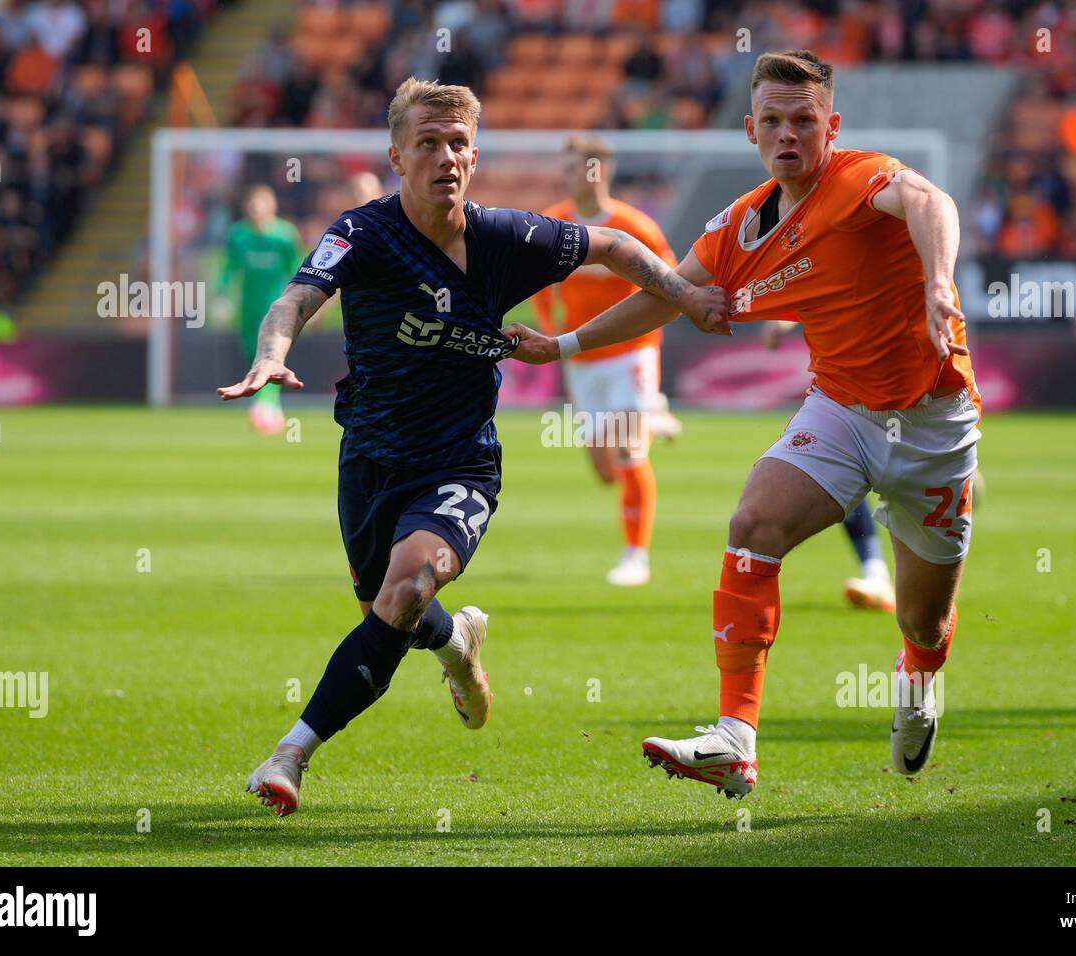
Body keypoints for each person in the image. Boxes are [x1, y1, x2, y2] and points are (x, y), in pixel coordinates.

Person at [217, 77, 727, 816]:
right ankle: (458, 644)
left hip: (460, 462)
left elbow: (615, 245)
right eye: (428, 142)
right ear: (398, 156)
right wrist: (271, 355)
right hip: (370, 457)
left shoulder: (506, 238)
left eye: (458, 143)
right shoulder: (362, 234)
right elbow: (296, 298)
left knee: (403, 591)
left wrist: (688, 297)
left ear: (475, 154)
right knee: (386, 613)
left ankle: (291, 752)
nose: (445, 156)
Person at [507, 50, 979, 796]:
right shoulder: (741, 226)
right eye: (773, 122)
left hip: (934, 426)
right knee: (754, 523)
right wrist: (559, 346)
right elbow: (667, 293)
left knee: (923, 623)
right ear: (752, 130)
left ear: (832, 126)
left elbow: (931, 201)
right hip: (840, 412)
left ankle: (918, 677)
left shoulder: (861, 177)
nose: (789, 134)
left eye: (805, 120)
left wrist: (939, 280)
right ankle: (736, 738)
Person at [532, 136, 678, 586]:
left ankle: (636, 556)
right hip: (581, 354)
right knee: (603, 470)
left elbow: (671, 285)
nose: (567, 176)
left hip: (631, 353)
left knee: (627, 453)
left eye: (575, 167)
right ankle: (651, 413)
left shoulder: (634, 226)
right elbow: (537, 284)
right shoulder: (553, 223)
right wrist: (549, 334)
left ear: (598, 172)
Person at [761, 318, 895, 611]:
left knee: (905, 490)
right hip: (840, 394)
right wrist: (785, 320)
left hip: (897, 388)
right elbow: (818, 280)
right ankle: (876, 574)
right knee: (839, 478)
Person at [219, 184, 302, 435]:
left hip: (276, 309)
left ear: (272, 206)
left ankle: (265, 406)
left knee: (271, 356)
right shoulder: (239, 235)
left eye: (262, 203)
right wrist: (222, 294)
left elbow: (296, 269)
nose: (256, 209)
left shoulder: (284, 235)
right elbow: (230, 268)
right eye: (252, 204)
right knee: (251, 356)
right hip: (248, 308)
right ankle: (270, 406)